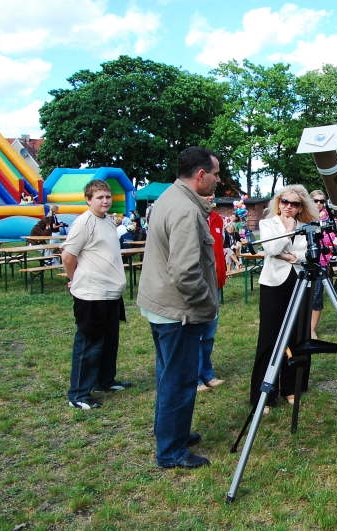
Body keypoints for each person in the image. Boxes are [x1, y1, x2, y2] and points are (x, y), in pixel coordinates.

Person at [137, 146, 220, 469]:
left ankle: (172, 434)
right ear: (200, 175)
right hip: (179, 312)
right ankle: (171, 451)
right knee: (179, 381)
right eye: (215, 174)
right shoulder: (185, 210)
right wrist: (207, 303)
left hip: (164, 307)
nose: (217, 180)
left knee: (169, 376)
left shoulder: (170, 198)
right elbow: (185, 272)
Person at [250, 185, 319, 414]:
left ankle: (292, 387)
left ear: (301, 207)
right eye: (284, 201)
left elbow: (309, 254)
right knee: (269, 338)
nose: (288, 206)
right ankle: (264, 394)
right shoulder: (268, 224)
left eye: (294, 204)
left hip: (299, 282)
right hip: (273, 285)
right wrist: (288, 232)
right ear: (278, 203)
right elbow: (270, 248)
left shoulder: (306, 226)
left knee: (297, 336)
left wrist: (288, 255)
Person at [61, 179, 128, 410]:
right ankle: (78, 394)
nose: (105, 201)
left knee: (109, 342)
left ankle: (105, 381)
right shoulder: (83, 223)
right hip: (92, 294)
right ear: (88, 200)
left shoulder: (108, 221)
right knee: (89, 344)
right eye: (99, 197)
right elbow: (68, 256)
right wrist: (74, 279)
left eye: (108, 197)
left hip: (111, 293)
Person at [197, 194, 227, 393]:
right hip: (197, 283)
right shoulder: (191, 216)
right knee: (195, 333)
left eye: (212, 194)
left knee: (209, 332)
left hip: (214, 282)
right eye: (205, 193)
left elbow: (219, 248)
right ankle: (194, 377)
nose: (210, 197)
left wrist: (221, 272)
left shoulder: (216, 219)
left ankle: (207, 373)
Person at [309, 189, 337, 339]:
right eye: (316, 200)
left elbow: (333, 240)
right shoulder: (303, 217)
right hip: (303, 262)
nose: (319, 203)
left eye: (322, 201)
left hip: (322, 263)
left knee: (316, 296)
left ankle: (312, 329)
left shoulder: (330, 219)